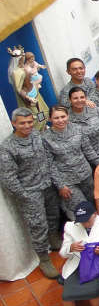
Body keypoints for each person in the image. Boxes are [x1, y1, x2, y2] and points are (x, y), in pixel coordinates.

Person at [0, 108, 61, 278]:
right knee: (38, 226)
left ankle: (54, 237)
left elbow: (47, 158)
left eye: (29, 122)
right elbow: (8, 178)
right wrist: (25, 195)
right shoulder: (7, 148)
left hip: (47, 185)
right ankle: (44, 258)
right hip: (30, 192)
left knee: (53, 214)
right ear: (14, 123)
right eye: (22, 123)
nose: (27, 126)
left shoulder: (36, 135)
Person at [43, 106, 99, 218]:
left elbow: (88, 150)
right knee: (82, 210)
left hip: (85, 174)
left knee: (96, 203)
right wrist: (60, 185)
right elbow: (49, 164)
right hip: (66, 181)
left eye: (63, 116)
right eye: (56, 118)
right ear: (50, 119)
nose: (60, 120)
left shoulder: (77, 129)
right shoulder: (45, 138)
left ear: (68, 116)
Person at [68, 87, 99, 157]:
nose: (79, 100)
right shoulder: (66, 118)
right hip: (83, 157)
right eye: (75, 98)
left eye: (82, 97)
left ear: (86, 98)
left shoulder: (96, 110)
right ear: (69, 100)